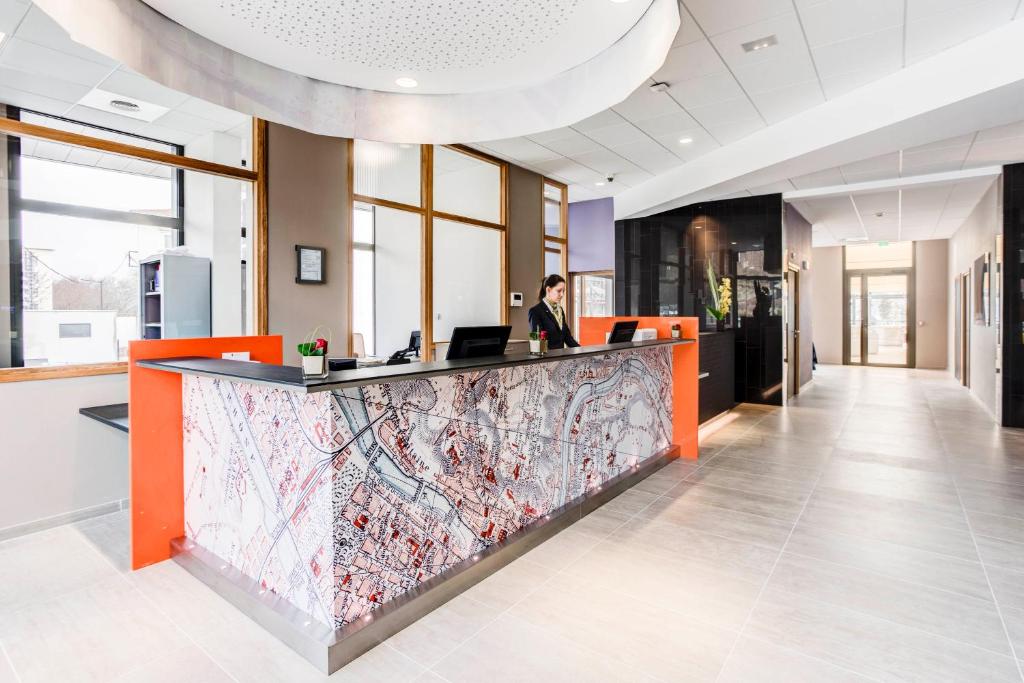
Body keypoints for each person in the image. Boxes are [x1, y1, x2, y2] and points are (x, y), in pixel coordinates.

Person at [527, 274, 579, 350]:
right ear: (548, 290)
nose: (562, 294)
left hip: (560, 358)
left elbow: (567, 338)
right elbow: (538, 342)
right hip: (547, 359)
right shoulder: (535, 311)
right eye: (559, 291)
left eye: (563, 291)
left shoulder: (560, 310)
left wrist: (582, 351)